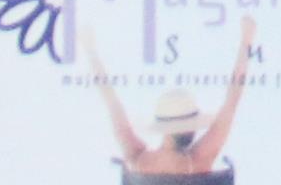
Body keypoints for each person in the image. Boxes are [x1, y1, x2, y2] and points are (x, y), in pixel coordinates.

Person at [92, 14, 257, 176]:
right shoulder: (199, 161)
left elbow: (113, 106)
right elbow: (232, 101)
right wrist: (246, 41)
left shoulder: (136, 159)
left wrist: (90, 51)